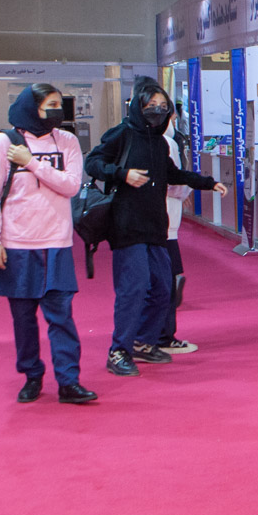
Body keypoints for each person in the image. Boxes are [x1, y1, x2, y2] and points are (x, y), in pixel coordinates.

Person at [85, 79, 224, 378]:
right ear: (139, 106)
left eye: (163, 107)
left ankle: (142, 342)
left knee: (163, 289)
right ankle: (118, 350)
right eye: (151, 106)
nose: (157, 111)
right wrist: (122, 174)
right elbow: (93, 163)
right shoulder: (122, 134)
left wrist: (208, 183)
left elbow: (172, 174)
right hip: (126, 226)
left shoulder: (160, 143)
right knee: (133, 290)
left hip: (155, 227)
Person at [0, 83, 98, 405]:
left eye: (60, 105)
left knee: (61, 317)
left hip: (56, 243)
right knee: (23, 318)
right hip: (16, 244)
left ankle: (69, 382)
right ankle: (32, 375)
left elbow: (71, 186)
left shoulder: (67, 141)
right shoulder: (4, 142)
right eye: (50, 105)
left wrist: (31, 162)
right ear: (31, 108)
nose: (57, 111)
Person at [155, 107, 198, 354]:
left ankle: (158, 335)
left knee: (163, 280)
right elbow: (172, 182)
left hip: (162, 223)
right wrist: (186, 188)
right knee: (166, 282)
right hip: (166, 224)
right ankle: (163, 336)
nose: (174, 122)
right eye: (172, 119)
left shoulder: (155, 142)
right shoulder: (166, 144)